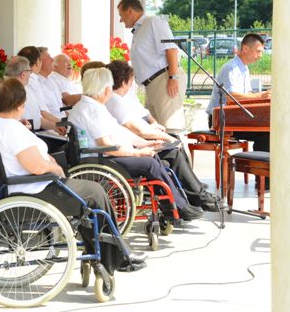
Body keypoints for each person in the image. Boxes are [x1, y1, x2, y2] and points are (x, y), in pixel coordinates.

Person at [0, 77, 144, 276]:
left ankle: (104, 252)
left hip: (22, 187)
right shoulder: (11, 129)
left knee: (89, 194)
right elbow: (37, 166)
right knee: (95, 193)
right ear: (20, 104)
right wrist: (56, 168)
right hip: (33, 189)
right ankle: (115, 256)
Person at [67, 68, 204, 221]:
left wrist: (144, 143)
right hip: (100, 159)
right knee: (150, 164)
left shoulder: (93, 106)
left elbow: (119, 131)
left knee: (154, 158)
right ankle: (178, 207)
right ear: (106, 90)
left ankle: (174, 206)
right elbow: (105, 144)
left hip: (104, 155)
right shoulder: (91, 110)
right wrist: (137, 153)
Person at [105, 60, 221, 211]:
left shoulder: (121, 98)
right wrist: (165, 137)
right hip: (132, 143)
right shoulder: (114, 101)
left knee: (175, 143)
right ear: (125, 82)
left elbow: (141, 119)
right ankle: (197, 195)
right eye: (131, 81)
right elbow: (138, 130)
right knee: (173, 151)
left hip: (135, 139)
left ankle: (193, 189)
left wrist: (161, 133)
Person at [117, 0, 186, 130]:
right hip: (152, 85)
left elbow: (171, 49)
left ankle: (177, 146)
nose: (120, 19)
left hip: (164, 79)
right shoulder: (140, 29)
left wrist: (173, 77)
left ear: (130, 11)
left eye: (121, 15)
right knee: (156, 130)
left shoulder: (153, 22)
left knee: (172, 128)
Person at [206, 33, 270, 152]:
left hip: (235, 117)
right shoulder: (232, 68)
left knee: (270, 128)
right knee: (266, 133)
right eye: (258, 51)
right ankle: (257, 162)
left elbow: (247, 95)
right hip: (220, 120)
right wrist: (260, 95)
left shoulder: (244, 68)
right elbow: (232, 97)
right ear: (245, 48)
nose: (260, 56)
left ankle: (258, 162)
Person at [36, 46, 66, 118]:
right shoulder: (36, 84)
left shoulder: (52, 79)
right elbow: (42, 113)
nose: (52, 59)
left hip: (63, 120)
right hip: (53, 123)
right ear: (39, 62)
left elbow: (60, 108)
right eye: (48, 57)